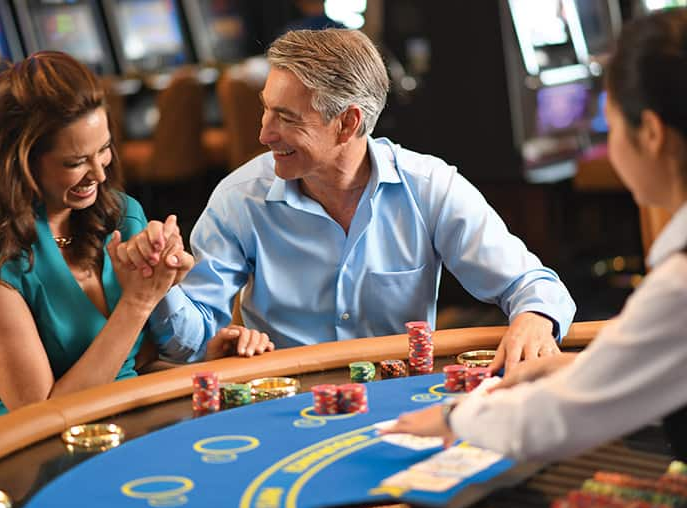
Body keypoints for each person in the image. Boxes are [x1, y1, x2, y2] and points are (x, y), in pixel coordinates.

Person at [121, 29, 575, 369]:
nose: (262, 133)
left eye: (286, 117)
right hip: (285, 403)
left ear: (348, 123)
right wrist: (158, 288)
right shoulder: (240, 198)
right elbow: (192, 340)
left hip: (398, 398)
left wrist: (535, 317)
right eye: (265, 108)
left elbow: (534, 286)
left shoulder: (429, 186)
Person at [384, 8, 687, 462]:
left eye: (610, 119)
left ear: (651, 133)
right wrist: (576, 367)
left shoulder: (678, 284)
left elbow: (562, 419)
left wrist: (454, 419)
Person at [0, 51, 267, 420]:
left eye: (103, 150)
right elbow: (42, 417)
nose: (99, 175)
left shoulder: (119, 214)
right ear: (18, 164)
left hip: (130, 421)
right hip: (40, 452)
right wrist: (137, 303)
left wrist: (211, 364)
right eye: (75, 162)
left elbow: (140, 363)